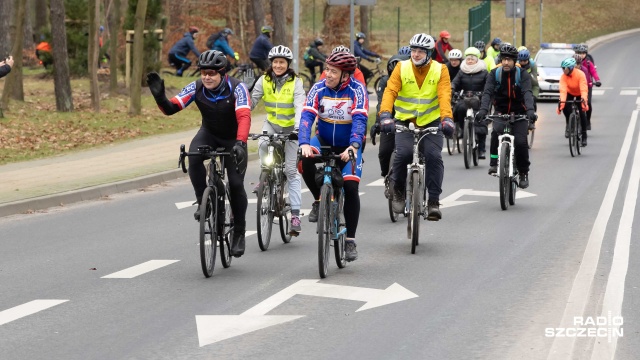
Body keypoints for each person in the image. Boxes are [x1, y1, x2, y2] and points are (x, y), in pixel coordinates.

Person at [146, 50, 251, 257]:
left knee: (236, 184)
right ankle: (204, 201)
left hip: (233, 139)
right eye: (203, 72)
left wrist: (241, 142)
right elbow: (172, 108)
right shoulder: (196, 87)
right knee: (193, 157)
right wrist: (160, 97)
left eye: (211, 73)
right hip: (209, 134)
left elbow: (244, 116)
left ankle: (238, 231)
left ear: (222, 73)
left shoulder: (237, 88)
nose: (207, 77)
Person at [298, 51, 368, 262]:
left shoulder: (357, 90)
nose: (327, 74)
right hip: (324, 139)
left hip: (348, 144)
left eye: (333, 71)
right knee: (305, 159)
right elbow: (307, 116)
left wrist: (354, 146)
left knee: (350, 186)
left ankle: (350, 240)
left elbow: (359, 120)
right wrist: (303, 143)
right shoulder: (318, 88)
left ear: (345, 74)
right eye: (327, 69)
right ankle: (319, 199)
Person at [378, 33, 454, 220]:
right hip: (404, 121)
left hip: (432, 121)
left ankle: (434, 201)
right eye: (414, 50)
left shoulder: (440, 69)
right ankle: (398, 191)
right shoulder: (401, 68)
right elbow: (390, 91)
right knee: (402, 154)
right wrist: (385, 115)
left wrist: (447, 119)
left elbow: (444, 95)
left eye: (421, 51)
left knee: (434, 156)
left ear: (429, 53)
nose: (416, 54)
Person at [250, 45, 306, 234]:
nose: (278, 65)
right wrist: (244, 91)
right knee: (263, 143)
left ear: (288, 64)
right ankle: (265, 177)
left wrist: (298, 129)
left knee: (291, 170)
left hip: (291, 128)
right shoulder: (264, 80)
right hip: (272, 124)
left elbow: (300, 106)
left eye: (282, 62)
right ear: (271, 63)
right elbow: (251, 102)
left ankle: (296, 215)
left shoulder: (296, 82)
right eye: (275, 62)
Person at [476, 44, 537, 188]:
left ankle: (523, 172)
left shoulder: (522, 74)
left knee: (521, 142)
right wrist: (484, 110)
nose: (505, 62)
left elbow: (528, 93)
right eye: (503, 59)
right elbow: (488, 93)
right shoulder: (494, 73)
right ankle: (494, 162)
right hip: (501, 111)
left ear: (514, 61)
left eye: (509, 60)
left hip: (520, 112)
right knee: (496, 132)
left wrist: (530, 110)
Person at [370, 48, 411, 181]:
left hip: (410, 119)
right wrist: (378, 122)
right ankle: (386, 176)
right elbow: (381, 103)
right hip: (389, 119)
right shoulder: (385, 81)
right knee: (384, 152)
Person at [451, 47, 489, 159]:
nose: (470, 61)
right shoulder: (462, 71)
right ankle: (463, 129)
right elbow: (455, 82)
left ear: (477, 60)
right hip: (465, 98)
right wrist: (452, 88)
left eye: (472, 59)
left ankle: (481, 149)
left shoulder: (484, 72)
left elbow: (488, 85)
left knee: (481, 121)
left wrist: (485, 94)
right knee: (459, 108)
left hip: (479, 99)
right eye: (468, 59)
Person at [557, 56, 589, 146]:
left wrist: (583, 99)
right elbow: (563, 90)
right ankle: (569, 121)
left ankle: (584, 136)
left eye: (564, 68)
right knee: (565, 106)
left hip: (579, 93)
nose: (563, 70)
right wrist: (562, 102)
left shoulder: (580, 74)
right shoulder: (563, 77)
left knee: (582, 113)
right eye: (562, 68)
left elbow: (583, 88)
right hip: (570, 92)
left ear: (570, 68)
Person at [574, 44, 600, 130]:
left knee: (587, 103)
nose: (581, 55)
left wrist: (597, 80)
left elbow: (593, 72)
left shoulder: (588, 63)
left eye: (583, 53)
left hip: (587, 85)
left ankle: (587, 120)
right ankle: (570, 122)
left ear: (586, 54)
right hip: (575, 85)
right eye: (579, 53)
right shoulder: (572, 62)